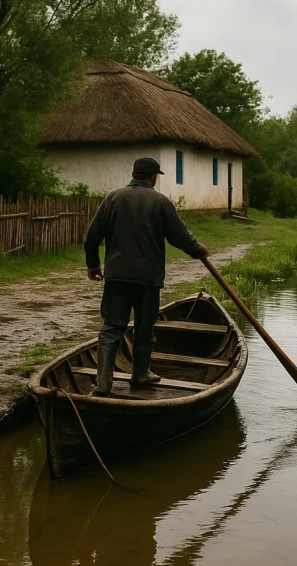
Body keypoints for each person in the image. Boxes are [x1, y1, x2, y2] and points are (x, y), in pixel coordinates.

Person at [84, 157, 209, 397]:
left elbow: (92, 236)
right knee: (144, 328)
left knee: (111, 328)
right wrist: (198, 250)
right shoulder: (161, 202)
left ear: (133, 173)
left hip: (117, 277)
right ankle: (140, 374)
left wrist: (93, 265)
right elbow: (180, 236)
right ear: (154, 177)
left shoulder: (113, 197)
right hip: (148, 279)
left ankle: (103, 383)